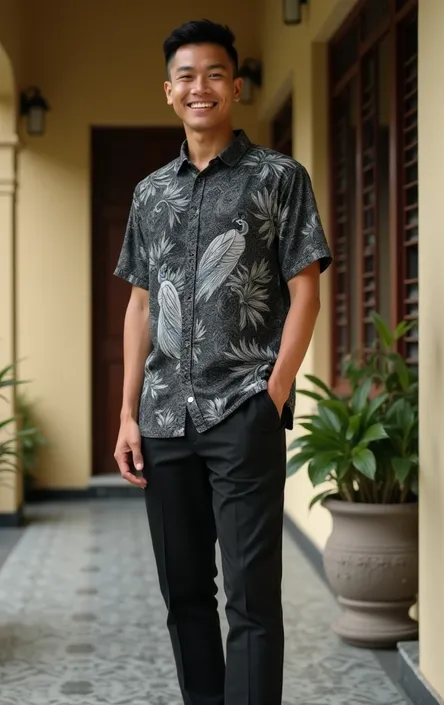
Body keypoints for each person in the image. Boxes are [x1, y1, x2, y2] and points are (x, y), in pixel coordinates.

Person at [113, 18, 332, 705]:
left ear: (235, 87)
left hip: (242, 411)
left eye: (213, 73)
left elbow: (306, 291)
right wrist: (126, 415)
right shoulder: (151, 193)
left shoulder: (278, 178)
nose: (199, 86)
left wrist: (271, 396)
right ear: (169, 93)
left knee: (252, 597)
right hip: (163, 421)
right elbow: (140, 307)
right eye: (186, 75)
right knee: (183, 593)